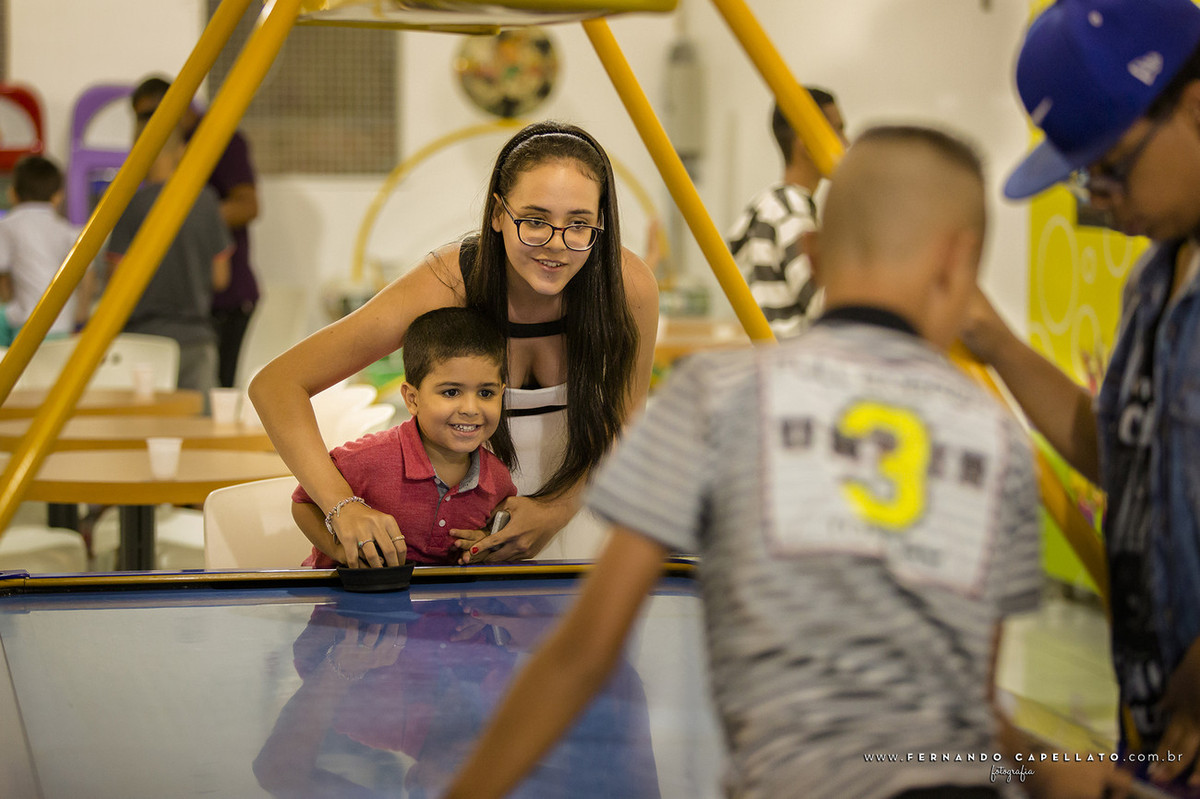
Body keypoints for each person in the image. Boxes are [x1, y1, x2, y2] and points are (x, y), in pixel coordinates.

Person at [445, 126, 1129, 799]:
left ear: (812, 254)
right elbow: (972, 712)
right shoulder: (999, 441)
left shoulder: (714, 398)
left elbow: (583, 654)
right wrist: (1051, 766)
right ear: (963, 265)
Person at [966, 0, 1200, 790]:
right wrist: (990, 336)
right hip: (1159, 715)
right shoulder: (1155, 278)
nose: (1098, 197)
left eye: (1111, 166)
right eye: (1082, 177)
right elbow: (1122, 456)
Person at [249, 121, 659, 569]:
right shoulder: (447, 283)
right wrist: (341, 507)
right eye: (534, 221)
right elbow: (277, 385)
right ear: (498, 214)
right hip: (460, 552)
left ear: (601, 222)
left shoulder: (629, 287)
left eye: (578, 224)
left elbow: (625, 422)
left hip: (587, 521)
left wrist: (556, 510)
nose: (555, 245)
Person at [291, 307, 518, 567]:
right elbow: (303, 503)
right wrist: (342, 552)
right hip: (341, 591)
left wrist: (486, 539)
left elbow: (500, 525)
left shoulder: (498, 480)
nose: (470, 408)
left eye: (486, 393)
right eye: (451, 392)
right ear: (412, 399)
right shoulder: (367, 458)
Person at [131, 75, 260, 388]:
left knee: (218, 394)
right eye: (140, 119)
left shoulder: (220, 142)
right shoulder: (145, 195)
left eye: (151, 115)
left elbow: (248, 205)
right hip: (181, 311)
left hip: (223, 303)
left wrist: (187, 219)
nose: (145, 126)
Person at [106, 127, 232, 395]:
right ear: (181, 151)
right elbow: (221, 278)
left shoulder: (131, 205)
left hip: (143, 342)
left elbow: (117, 280)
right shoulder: (205, 200)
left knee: (148, 418)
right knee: (200, 419)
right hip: (196, 338)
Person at [726, 87, 847, 339]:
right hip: (795, 356)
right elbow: (825, 305)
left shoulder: (770, 204)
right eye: (838, 130)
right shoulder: (790, 212)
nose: (846, 142)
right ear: (806, 143)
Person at [0, 155, 90, 345]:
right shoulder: (68, 231)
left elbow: (3, 278)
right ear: (58, 196)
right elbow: (88, 277)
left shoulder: (8, 225)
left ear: (12, 193)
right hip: (63, 325)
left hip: (27, 326)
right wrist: (80, 316)